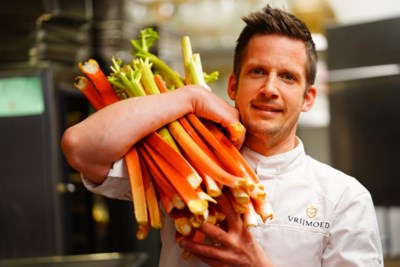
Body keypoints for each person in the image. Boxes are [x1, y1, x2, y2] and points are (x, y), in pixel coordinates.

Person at [61, 5, 383, 267]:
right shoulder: (182, 170)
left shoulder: (344, 199)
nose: (269, 89)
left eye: (287, 77)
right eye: (257, 72)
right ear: (232, 86)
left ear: (308, 97)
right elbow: (80, 146)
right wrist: (189, 98)